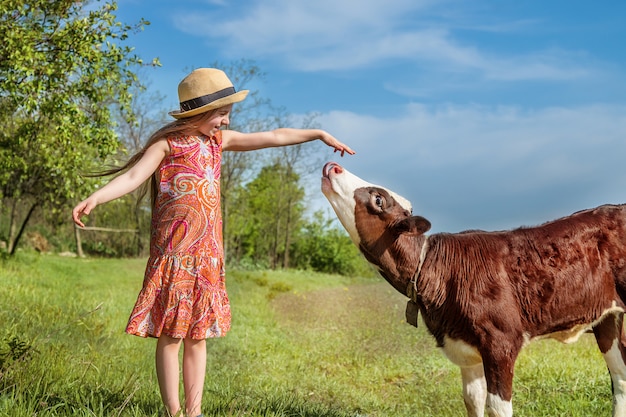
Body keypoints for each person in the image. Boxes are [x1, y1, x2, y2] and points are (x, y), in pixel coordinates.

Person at [72, 68, 355, 417]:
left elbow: (275, 136)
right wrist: (96, 198)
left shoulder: (218, 143)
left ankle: (194, 411)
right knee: (172, 336)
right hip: (174, 255)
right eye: (221, 114)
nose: (225, 121)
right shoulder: (167, 144)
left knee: (198, 335)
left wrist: (318, 134)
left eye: (227, 115)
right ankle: (173, 411)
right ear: (199, 112)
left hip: (206, 256)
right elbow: (132, 177)